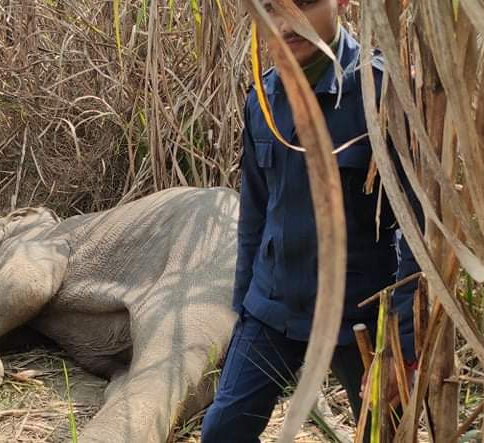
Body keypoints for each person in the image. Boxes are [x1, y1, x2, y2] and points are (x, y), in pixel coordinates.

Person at [200, 1, 420, 440]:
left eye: (304, 4)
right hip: (272, 306)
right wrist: (242, 310)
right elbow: (255, 214)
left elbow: (419, 226)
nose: (286, 24)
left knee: (382, 434)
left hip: (356, 316)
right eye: (270, 9)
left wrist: (402, 346)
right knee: (222, 431)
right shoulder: (263, 97)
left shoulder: (380, 91)